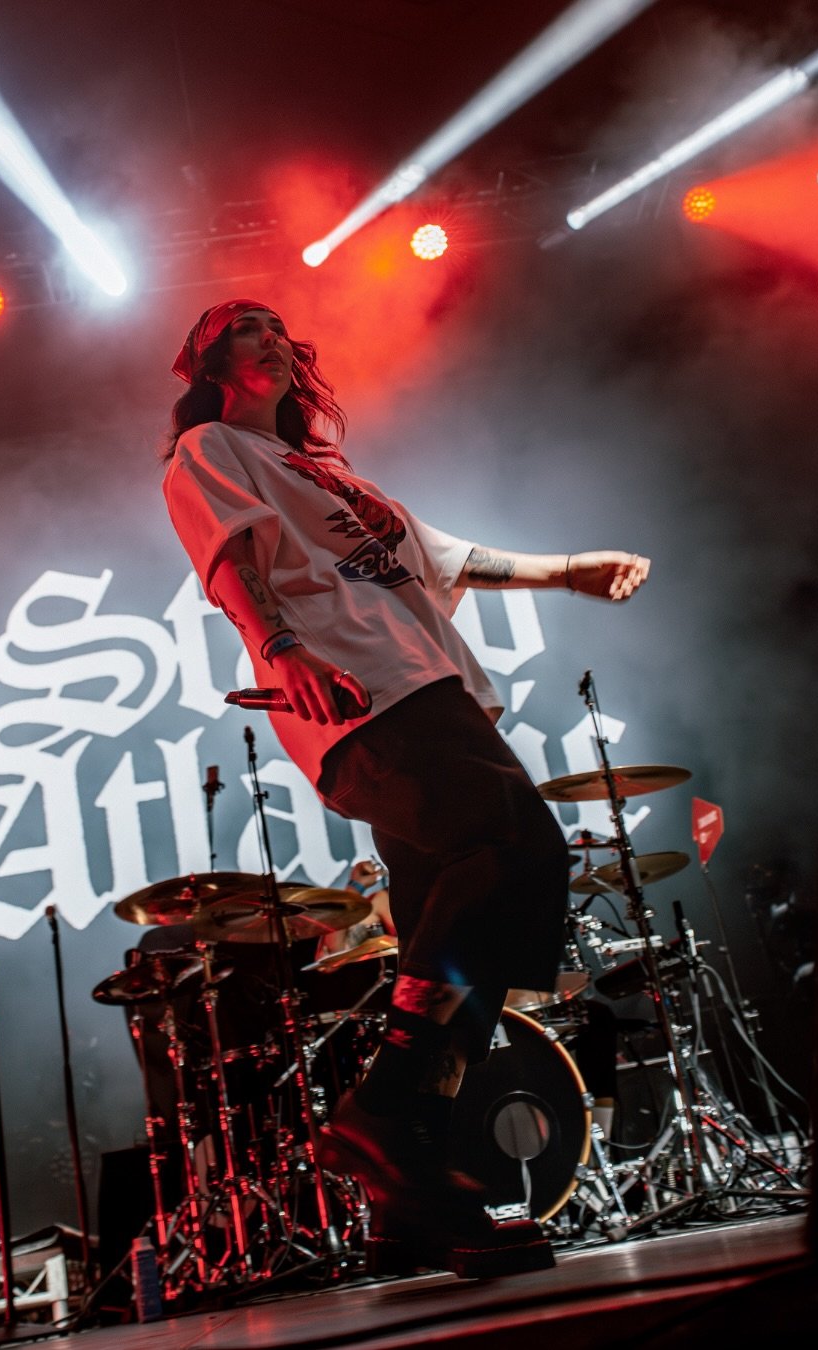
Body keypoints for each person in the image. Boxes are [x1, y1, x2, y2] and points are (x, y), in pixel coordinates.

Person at [161, 298, 649, 1276]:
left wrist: (569, 572)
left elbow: (448, 557)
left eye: (277, 324)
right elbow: (230, 557)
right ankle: (383, 1110)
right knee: (515, 851)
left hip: (430, 690)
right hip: (370, 699)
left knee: (468, 915)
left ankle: (408, 1191)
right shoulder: (211, 448)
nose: (274, 336)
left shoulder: (332, 477)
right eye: (248, 324)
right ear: (209, 359)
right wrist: (280, 642)